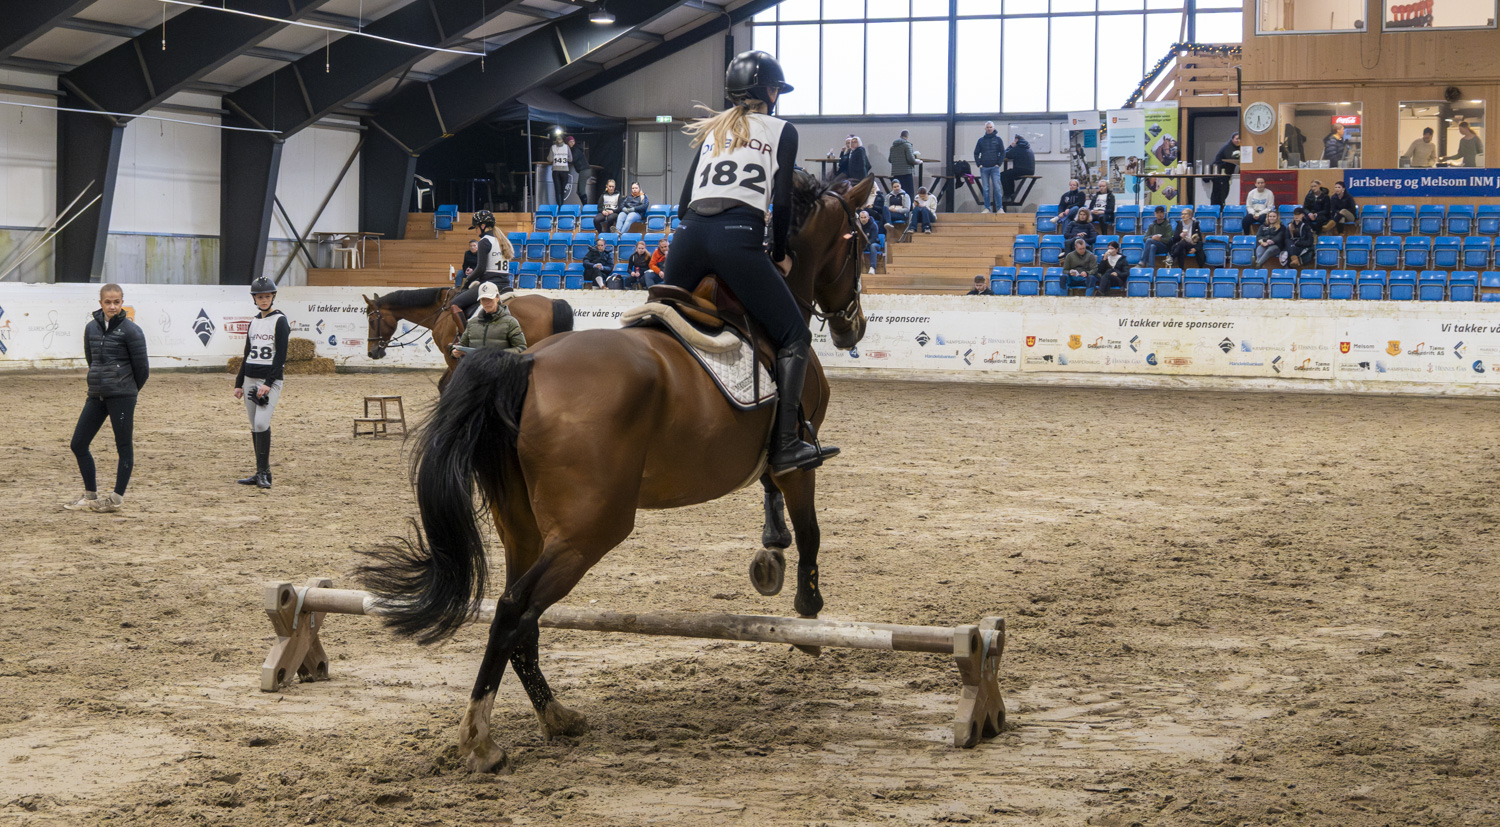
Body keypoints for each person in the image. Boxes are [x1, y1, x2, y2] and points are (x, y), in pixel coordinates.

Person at [664, 50, 836, 475]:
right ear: (767, 92)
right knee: (795, 335)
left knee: (660, 317)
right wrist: (779, 254)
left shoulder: (714, 131)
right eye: (776, 87)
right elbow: (779, 200)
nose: (778, 94)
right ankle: (785, 445)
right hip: (736, 238)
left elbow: (684, 201)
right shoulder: (782, 130)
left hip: (685, 238)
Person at [65, 283, 148, 513]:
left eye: (117, 302)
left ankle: (116, 498)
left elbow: (142, 369)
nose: (112, 306)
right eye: (108, 302)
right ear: (100, 302)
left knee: (123, 446)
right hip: (97, 394)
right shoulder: (91, 327)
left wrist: (128, 390)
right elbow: (91, 360)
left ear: (122, 302)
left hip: (122, 395)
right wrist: (101, 382)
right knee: (78, 443)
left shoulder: (132, 330)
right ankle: (91, 495)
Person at [231, 277, 290, 490]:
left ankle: (265, 473)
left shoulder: (280, 321)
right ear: (254, 298)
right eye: (260, 296)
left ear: (273, 296)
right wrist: (239, 383)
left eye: (267, 296)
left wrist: (269, 382)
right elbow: (247, 354)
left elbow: (280, 356)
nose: (264, 300)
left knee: (261, 424)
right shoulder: (253, 322)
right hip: (250, 379)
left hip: (269, 382)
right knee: (254, 426)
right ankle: (260, 472)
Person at [451, 210, 515, 318]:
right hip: (506, 284)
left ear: (483, 226)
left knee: (454, 303)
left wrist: (467, 281)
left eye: (476, 228)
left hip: (490, 284)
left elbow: (480, 269)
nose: (475, 231)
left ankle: (464, 334)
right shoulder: (501, 240)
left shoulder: (484, 241)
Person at [453, 282, 526, 357]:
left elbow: (521, 349)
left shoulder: (511, 322)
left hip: (499, 367)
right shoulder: (472, 323)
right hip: (476, 367)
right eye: (483, 299)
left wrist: (496, 354)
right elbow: (462, 345)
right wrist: (456, 352)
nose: (487, 303)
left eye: (490, 299)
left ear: (497, 298)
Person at [974, 121, 1005, 214]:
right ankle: (987, 208)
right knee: (986, 189)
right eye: (987, 127)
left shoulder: (998, 140)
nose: (989, 128)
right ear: (985, 128)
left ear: (994, 128)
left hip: (994, 167)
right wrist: (979, 164)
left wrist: (998, 164)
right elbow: (976, 153)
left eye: (991, 127)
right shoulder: (981, 140)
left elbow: (1003, 152)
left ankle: (1000, 208)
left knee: (997, 188)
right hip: (984, 168)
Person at [1000, 133, 1033, 207]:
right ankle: (1010, 194)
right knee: (1009, 175)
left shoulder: (1018, 147)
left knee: (1003, 175)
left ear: (1016, 140)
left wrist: (1011, 146)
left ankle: (1007, 195)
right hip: (1029, 170)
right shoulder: (1026, 147)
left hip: (1022, 169)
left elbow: (1005, 155)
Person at [1209, 133, 1240, 207]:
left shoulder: (1236, 148)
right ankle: (1217, 210)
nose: (1238, 140)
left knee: (1224, 193)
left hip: (1226, 174)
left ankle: (1220, 209)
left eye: (1240, 139)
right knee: (1219, 194)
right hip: (1219, 174)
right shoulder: (1228, 147)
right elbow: (1229, 158)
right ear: (1232, 139)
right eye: (1236, 139)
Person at [888, 129, 920, 194]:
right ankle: (909, 204)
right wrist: (918, 162)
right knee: (908, 192)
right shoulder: (907, 145)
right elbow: (911, 159)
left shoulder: (892, 147)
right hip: (906, 172)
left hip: (896, 172)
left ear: (900, 136)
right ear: (907, 137)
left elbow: (890, 160)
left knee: (898, 192)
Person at [567, 135, 591, 204]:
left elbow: (573, 159)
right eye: (570, 142)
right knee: (579, 191)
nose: (571, 143)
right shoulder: (577, 148)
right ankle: (585, 206)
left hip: (584, 170)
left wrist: (566, 159)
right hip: (584, 170)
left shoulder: (575, 149)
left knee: (581, 191)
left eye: (572, 141)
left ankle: (585, 207)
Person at [549, 133, 572, 205]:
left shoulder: (553, 147)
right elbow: (570, 159)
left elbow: (550, 159)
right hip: (564, 170)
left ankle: (559, 206)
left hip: (556, 170)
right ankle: (562, 206)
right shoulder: (567, 147)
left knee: (557, 190)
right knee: (562, 189)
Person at [858, 209, 882, 274]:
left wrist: (864, 245)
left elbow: (873, 239)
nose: (863, 219)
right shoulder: (858, 226)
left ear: (868, 217)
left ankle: (872, 267)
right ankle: (857, 268)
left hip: (875, 244)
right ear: (859, 218)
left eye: (865, 217)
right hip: (863, 244)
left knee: (873, 246)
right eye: (861, 217)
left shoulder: (874, 225)